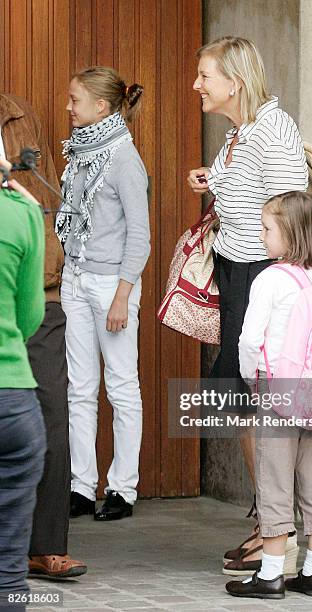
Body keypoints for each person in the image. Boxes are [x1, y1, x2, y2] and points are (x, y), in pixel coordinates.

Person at [187, 36, 307, 575]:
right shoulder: (239, 135)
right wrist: (212, 181)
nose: (197, 85)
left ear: (232, 81)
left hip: (264, 281)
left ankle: (277, 531)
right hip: (240, 278)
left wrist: (277, 290)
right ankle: (271, 524)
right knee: (238, 398)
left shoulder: (271, 130)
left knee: (251, 400)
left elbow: (290, 212)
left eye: (204, 76)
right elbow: (251, 199)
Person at [226, 191, 312, 599]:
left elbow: (249, 339)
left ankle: (271, 574)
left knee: (275, 481)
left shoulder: (270, 279)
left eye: (266, 228)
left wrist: (250, 379)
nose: (261, 236)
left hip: (278, 393)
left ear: (288, 233)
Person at [56, 66, 151, 521]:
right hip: (76, 278)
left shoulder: (124, 159)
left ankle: (122, 489)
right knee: (80, 387)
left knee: (121, 386)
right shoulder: (79, 154)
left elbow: (141, 237)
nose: (68, 108)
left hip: (112, 284)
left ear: (101, 107)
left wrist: (121, 296)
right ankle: (81, 485)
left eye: (75, 100)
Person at [0, 92, 87, 578]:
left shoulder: (18, 113)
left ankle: (46, 544)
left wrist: (49, 257)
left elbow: (46, 191)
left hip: (39, 285)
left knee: (52, 411)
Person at [0, 158, 46, 609]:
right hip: (14, 402)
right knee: (8, 573)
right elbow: (30, 317)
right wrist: (31, 219)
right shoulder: (21, 213)